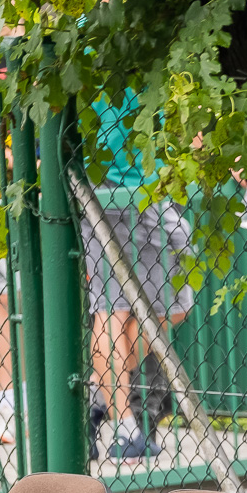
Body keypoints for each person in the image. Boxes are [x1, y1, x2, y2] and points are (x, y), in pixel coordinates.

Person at [82, 90, 192, 462]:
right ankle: (127, 428)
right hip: (109, 184)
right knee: (112, 309)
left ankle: (99, 398)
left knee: (168, 309)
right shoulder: (85, 38)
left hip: (150, 185)